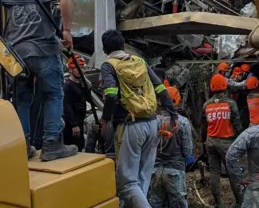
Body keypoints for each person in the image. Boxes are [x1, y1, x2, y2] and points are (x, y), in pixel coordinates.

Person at [0, 0, 77, 161]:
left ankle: (23, 146)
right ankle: (51, 145)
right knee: (54, 94)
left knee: (21, 99)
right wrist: (66, 31)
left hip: (15, 55)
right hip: (43, 50)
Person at [99, 30, 178, 208]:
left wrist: (105, 120)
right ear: (122, 45)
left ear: (105, 48)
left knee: (127, 184)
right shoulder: (139, 61)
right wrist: (173, 115)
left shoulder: (108, 65)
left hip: (130, 124)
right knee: (143, 177)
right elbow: (160, 88)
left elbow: (111, 95)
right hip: (152, 122)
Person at [201, 74, 244, 208]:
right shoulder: (231, 103)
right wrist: (241, 143)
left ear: (212, 88)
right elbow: (237, 125)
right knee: (234, 173)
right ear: (225, 86)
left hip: (211, 142)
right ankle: (240, 202)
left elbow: (203, 127)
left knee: (214, 173)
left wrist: (204, 142)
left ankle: (219, 204)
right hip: (227, 143)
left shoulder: (206, 105)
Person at [150, 86, 194, 208]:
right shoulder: (182, 122)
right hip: (175, 171)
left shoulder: (153, 121)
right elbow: (187, 150)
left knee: (156, 203)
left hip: (155, 171)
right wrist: (189, 158)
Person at [63, 54, 88, 151]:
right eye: (78, 68)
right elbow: (66, 106)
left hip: (80, 121)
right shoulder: (68, 86)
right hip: (72, 125)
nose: (82, 71)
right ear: (70, 69)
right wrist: (73, 124)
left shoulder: (82, 84)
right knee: (74, 147)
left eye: (83, 68)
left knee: (80, 146)